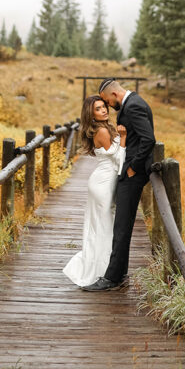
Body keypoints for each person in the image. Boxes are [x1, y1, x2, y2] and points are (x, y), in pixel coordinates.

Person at [82, 78, 155, 292]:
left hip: (132, 173)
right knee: (121, 224)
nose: (108, 108)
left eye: (106, 102)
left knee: (122, 226)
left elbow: (148, 139)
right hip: (121, 173)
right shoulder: (133, 104)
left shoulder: (133, 106)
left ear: (113, 95)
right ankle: (119, 272)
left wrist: (133, 167)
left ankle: (112, 278)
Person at [63, 95, 127, 287]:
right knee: (104, 226)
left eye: (104, 107)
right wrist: (123, 137)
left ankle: (109, 268)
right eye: (98, 109)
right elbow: (118, 159)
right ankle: (102, 271)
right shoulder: (101, 131)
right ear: (91, 114)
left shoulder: (106, 127)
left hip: (105, 180)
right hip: (103, 183)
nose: (104, 110)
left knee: (104, 225)